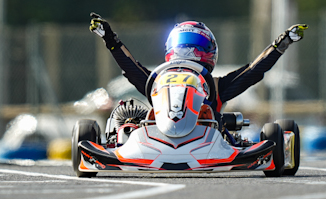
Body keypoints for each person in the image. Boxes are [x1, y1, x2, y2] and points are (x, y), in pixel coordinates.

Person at [89, 13, 307, 120]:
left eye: (197, 45)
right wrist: (110, 39)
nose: (189, 50)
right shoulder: (156, 81)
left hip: (206, 138)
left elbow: (253, 72)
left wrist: (280, 45)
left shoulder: (216, 86)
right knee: (125, 114)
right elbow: (131, 67)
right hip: (156, 137)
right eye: (182, 44)